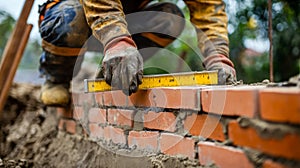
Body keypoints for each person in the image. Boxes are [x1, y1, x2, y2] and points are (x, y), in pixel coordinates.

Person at [38, 0, 236, 106]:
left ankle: (112, 72)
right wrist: (116, 40)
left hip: (126, 16)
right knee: (70, 20)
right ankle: (57, 77)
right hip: (79, 12)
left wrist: (217, 55)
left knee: (170, 18)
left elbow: (208, 7)